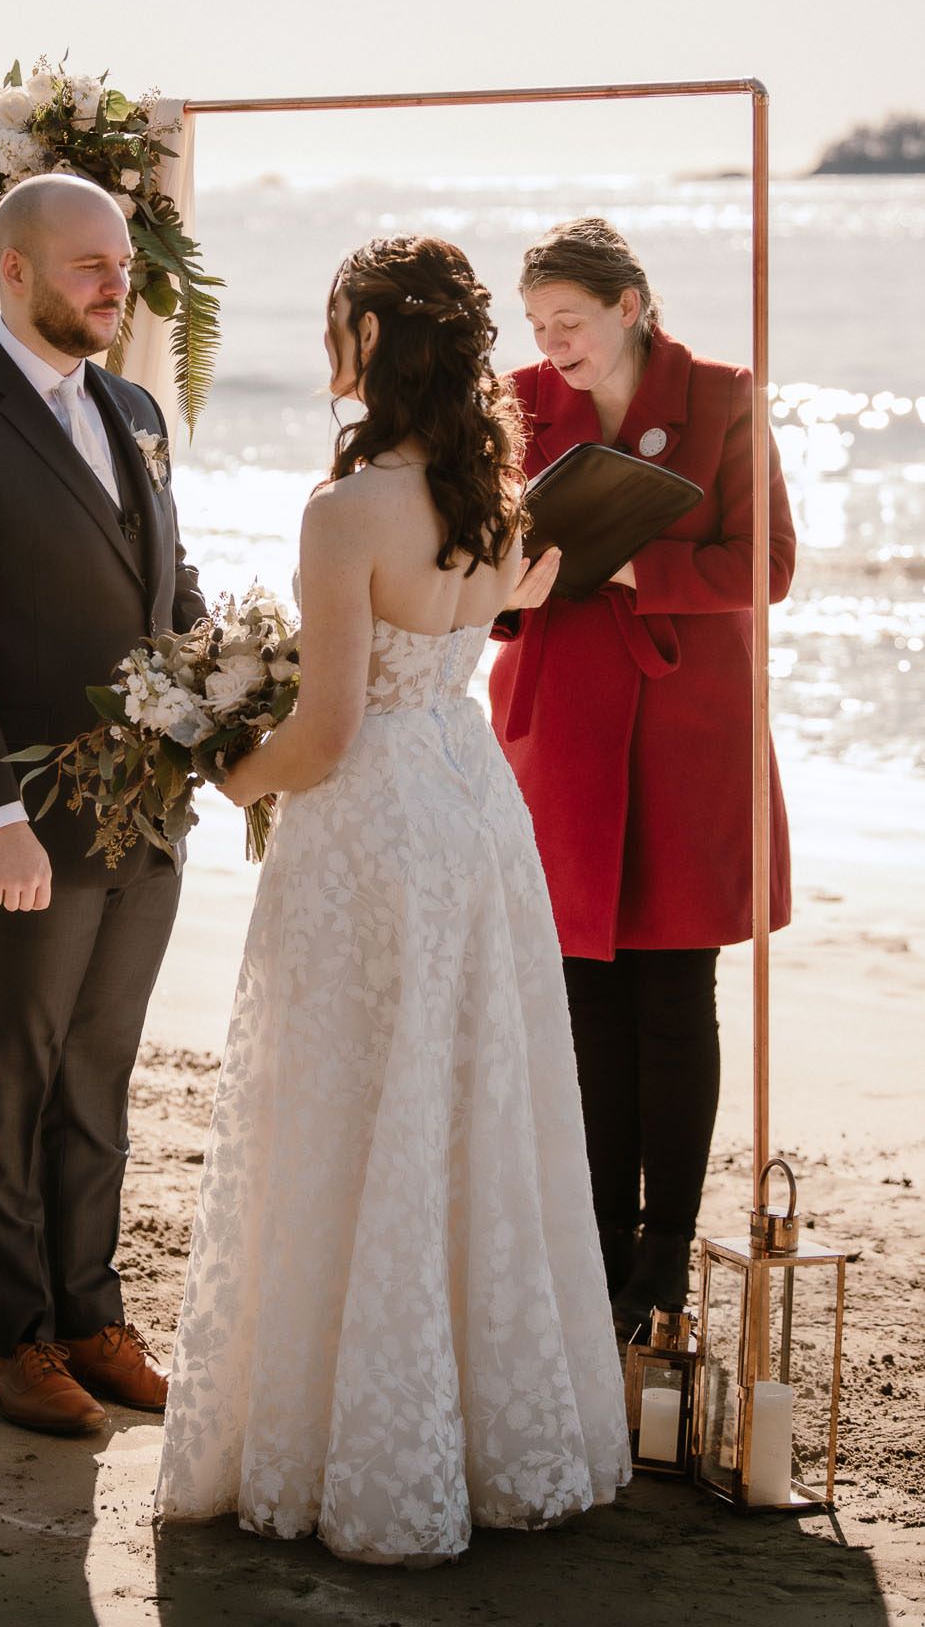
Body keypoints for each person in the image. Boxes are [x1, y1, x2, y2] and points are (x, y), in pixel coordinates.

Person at [154, 234, 629, 1566]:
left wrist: (228, 775)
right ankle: (488, 1437)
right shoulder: (501, 499)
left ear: (368, 345)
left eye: (334, 328)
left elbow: (327, 733)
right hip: (475, 814)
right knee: (470, 1104)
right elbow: (498, 620)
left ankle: (352, 1445)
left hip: (368, 830)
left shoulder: (345, 510)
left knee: (347, 1104)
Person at [0, 173, 206, 1436]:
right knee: (11, 1069)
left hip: (142, 811)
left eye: (121, 262)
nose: (116, 283)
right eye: (86, 265)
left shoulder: (134, 406)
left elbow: (169, 582)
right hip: (18, 813)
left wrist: (227, 682)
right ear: (10, 270)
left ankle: (89, 1312)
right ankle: (13, 1341)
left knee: (101, 1073)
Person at [487, 216, 796, 1338]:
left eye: (570, 320)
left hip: (688, 732)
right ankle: (596, 1243)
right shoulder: (515, 402)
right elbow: (483, 577)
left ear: (631, 304)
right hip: (557, 729)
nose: (553, 344)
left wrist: (620, 562)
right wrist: (513, 580)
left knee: (674, 991)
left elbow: (766, 564)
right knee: (580, 1000)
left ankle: (664, 1258)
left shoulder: (722, 395)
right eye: (538, 325)